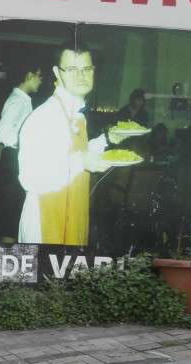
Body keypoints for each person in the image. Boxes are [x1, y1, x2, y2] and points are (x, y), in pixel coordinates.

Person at [17, 46, 127, 246]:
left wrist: (106, 139)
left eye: (86, 69)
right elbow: (30, 179)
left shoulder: (76, 114)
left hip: (73, 213)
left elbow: (73, 154)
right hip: (46, 224)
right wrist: (81, 162)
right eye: (72, 69)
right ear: (57, 72)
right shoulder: (44, 117)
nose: (81, 76)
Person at [0, 66, 42, 243]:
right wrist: (25, 144)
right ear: (29, 75)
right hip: (12, 164)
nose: (41, 81)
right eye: (39, 76)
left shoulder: (23, 99)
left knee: (11, 219)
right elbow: (1, 133)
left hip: (14, 162)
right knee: (9, 222)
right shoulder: (18, 101)